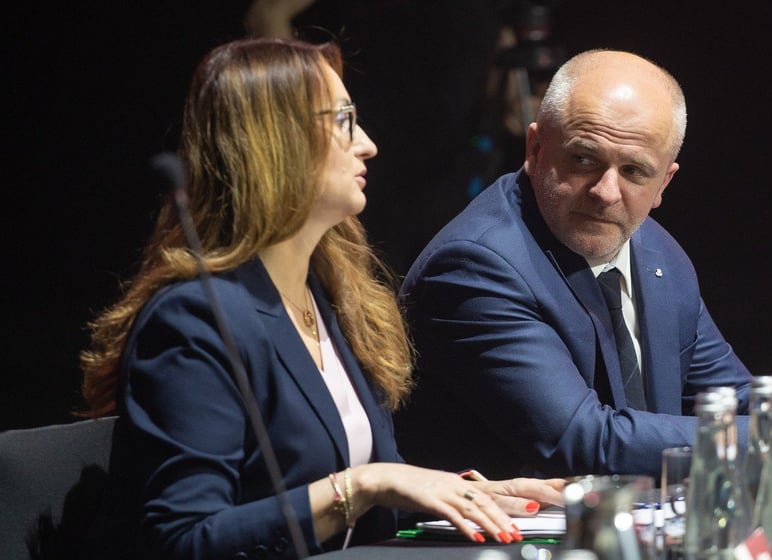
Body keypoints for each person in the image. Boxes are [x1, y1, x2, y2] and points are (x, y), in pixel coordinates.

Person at [78, 38, 564, 559]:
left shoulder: (325, 297)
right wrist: (367, 483)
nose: (367, 145)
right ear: (275, 141)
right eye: (343, 121)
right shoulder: (194, 318)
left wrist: (475, 495)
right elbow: (185, 541)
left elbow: (364, 502)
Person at [394, 49, 754, 480]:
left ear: (665, 181)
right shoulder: (474, 267)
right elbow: (583, 442)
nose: (606, 192)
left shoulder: (656, 251)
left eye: (634, 171)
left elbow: (735, 399)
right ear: (535, 149)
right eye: (583, 159)